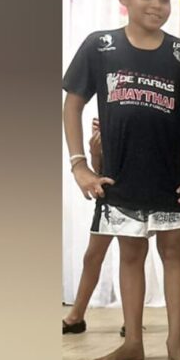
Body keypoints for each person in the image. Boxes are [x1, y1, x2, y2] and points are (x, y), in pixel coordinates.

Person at [62, 0, 180, 360]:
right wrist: (80, 164)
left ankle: (175, 343)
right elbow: (73, 103)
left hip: (171, 179)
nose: (157, 5)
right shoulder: (101, 46)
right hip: (120, 175)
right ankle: (133, 341)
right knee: (130, 256)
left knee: (174, 254)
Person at [62, 117, 114, 334]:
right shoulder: (106, 114)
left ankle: (132, 322)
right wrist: (94, 151)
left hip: (141, 189)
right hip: (110, 192)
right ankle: (76, 316)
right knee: (93, 255)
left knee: (134, 255)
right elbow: (99, 168)